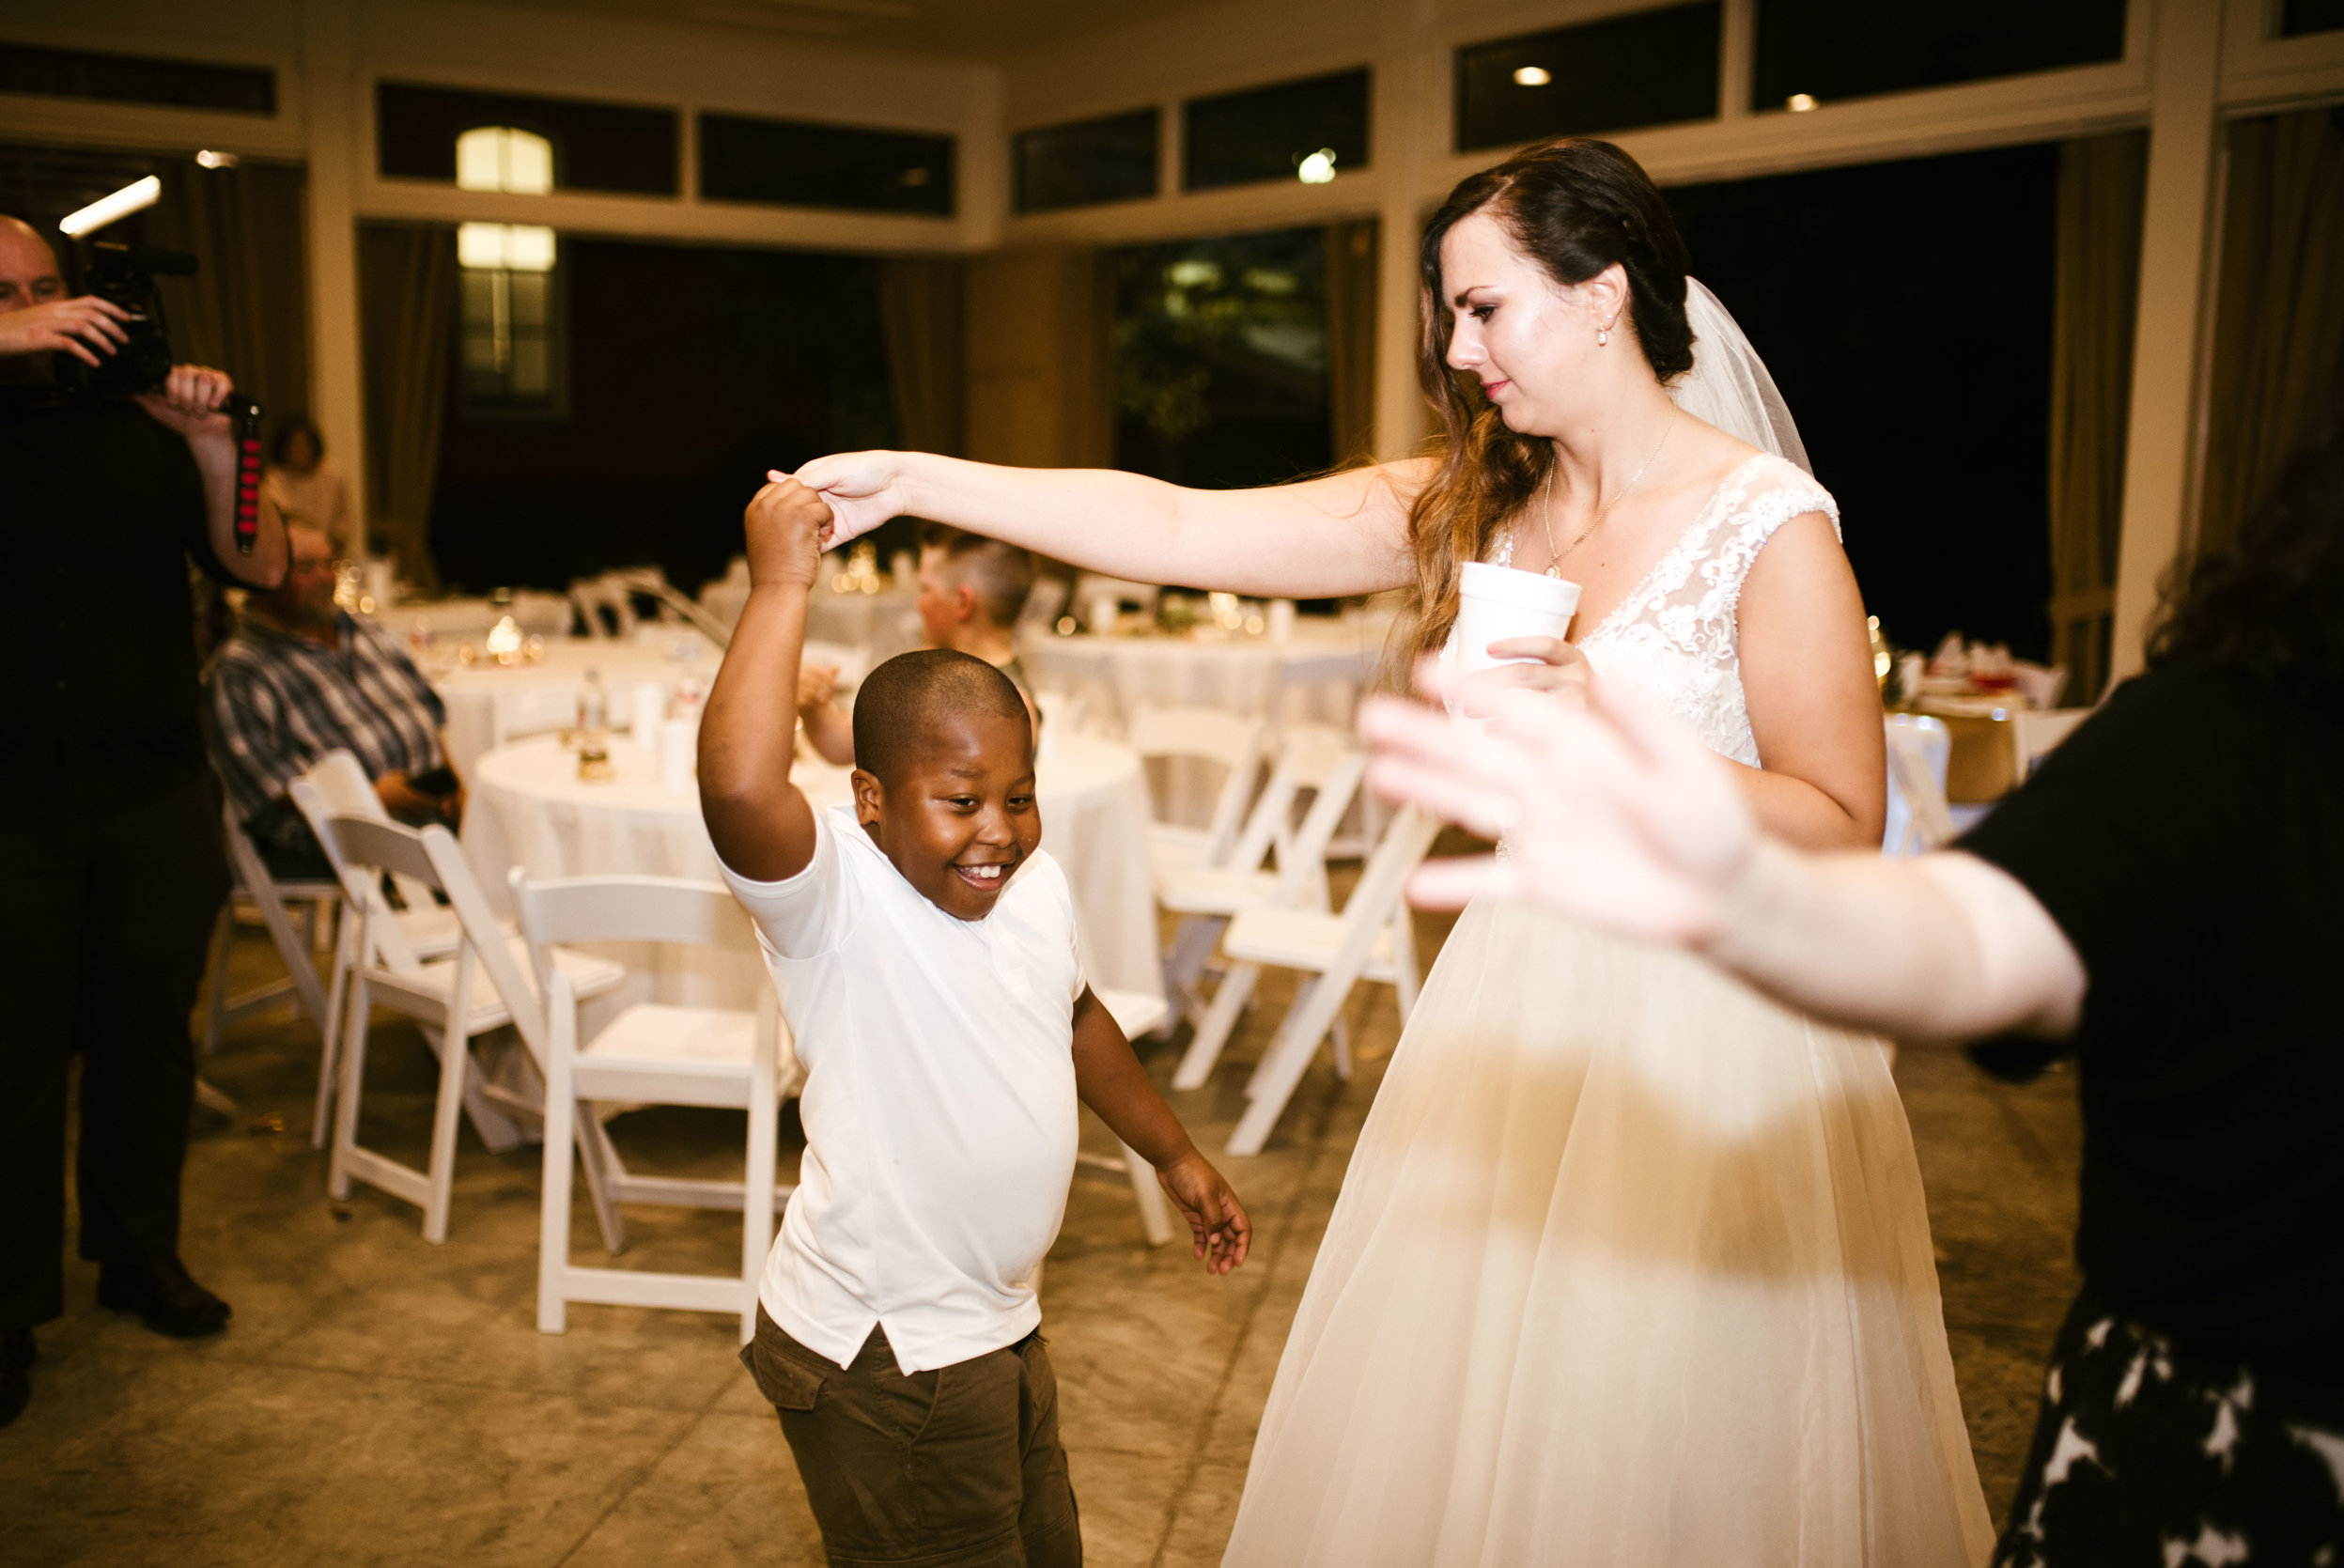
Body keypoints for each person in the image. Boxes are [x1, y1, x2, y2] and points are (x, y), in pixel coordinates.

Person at [790, 135, 1993, 1565]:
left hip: (1711, 1032)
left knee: (1664, 1428)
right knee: (1484, 1425)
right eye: (1450, 311)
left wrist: (1621, 730)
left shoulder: (1767, 530)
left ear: (1604, 293)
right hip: (1520, 994)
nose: (1458, 346)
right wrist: (927, 477)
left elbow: (1842, 818)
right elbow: (1183, 525)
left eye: (1484, 307)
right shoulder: (1483, 502)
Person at [1356, 423, 2344, 1567]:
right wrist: (1740, 898)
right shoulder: (2229, 741)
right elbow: (1973, 936)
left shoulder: (1771, 518)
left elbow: (1847, 809)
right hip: (2228, 1445)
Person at [698, 475, 1251, 1568]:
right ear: (869, 798)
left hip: (993, 1322)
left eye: (1020, 792)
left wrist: (1173, 1151)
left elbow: (1077, 1013)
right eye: (960, 800)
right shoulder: (836, 900)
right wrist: (779, 583)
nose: (996, 829)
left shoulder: (1028, 884)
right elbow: (737, 788)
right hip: (883, 1350)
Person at [0, 213, 289, 1428]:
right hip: (10, 802)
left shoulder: (134, 425)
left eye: (45, 286)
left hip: (155, 784)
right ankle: (8, 1307)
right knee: (12, 1062)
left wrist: (218, 447)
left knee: (148, 1035)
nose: (40, 308)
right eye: (8, 294)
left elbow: (259, 564)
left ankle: (139, 1255)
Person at [203, 517, 461, 880]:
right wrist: (371, 797)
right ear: (262, 578)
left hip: (424, 815)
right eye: (307, 567)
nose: (326, 577)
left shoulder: (361, 629)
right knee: (502, 859)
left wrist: (456, 782)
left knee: (513, 825)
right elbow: (276, 787)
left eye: (331, 564)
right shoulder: (239, 672)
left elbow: (430, 715)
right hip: (330, 839)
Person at [798, 522, 1038, 767]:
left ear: (963, 603)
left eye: (926, 588)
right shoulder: (928, 669)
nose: (918, 602)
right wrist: (813, 705)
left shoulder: (1009, 706)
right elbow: (846, 746)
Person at [260, 416, 351, 558]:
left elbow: (342, 525)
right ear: (283, 449)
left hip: (327, 553)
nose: (299, 450)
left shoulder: (332, 474)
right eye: (293, 445)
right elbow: (282, 520)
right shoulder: (274, 478)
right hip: (291, 555)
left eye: (304, 443)